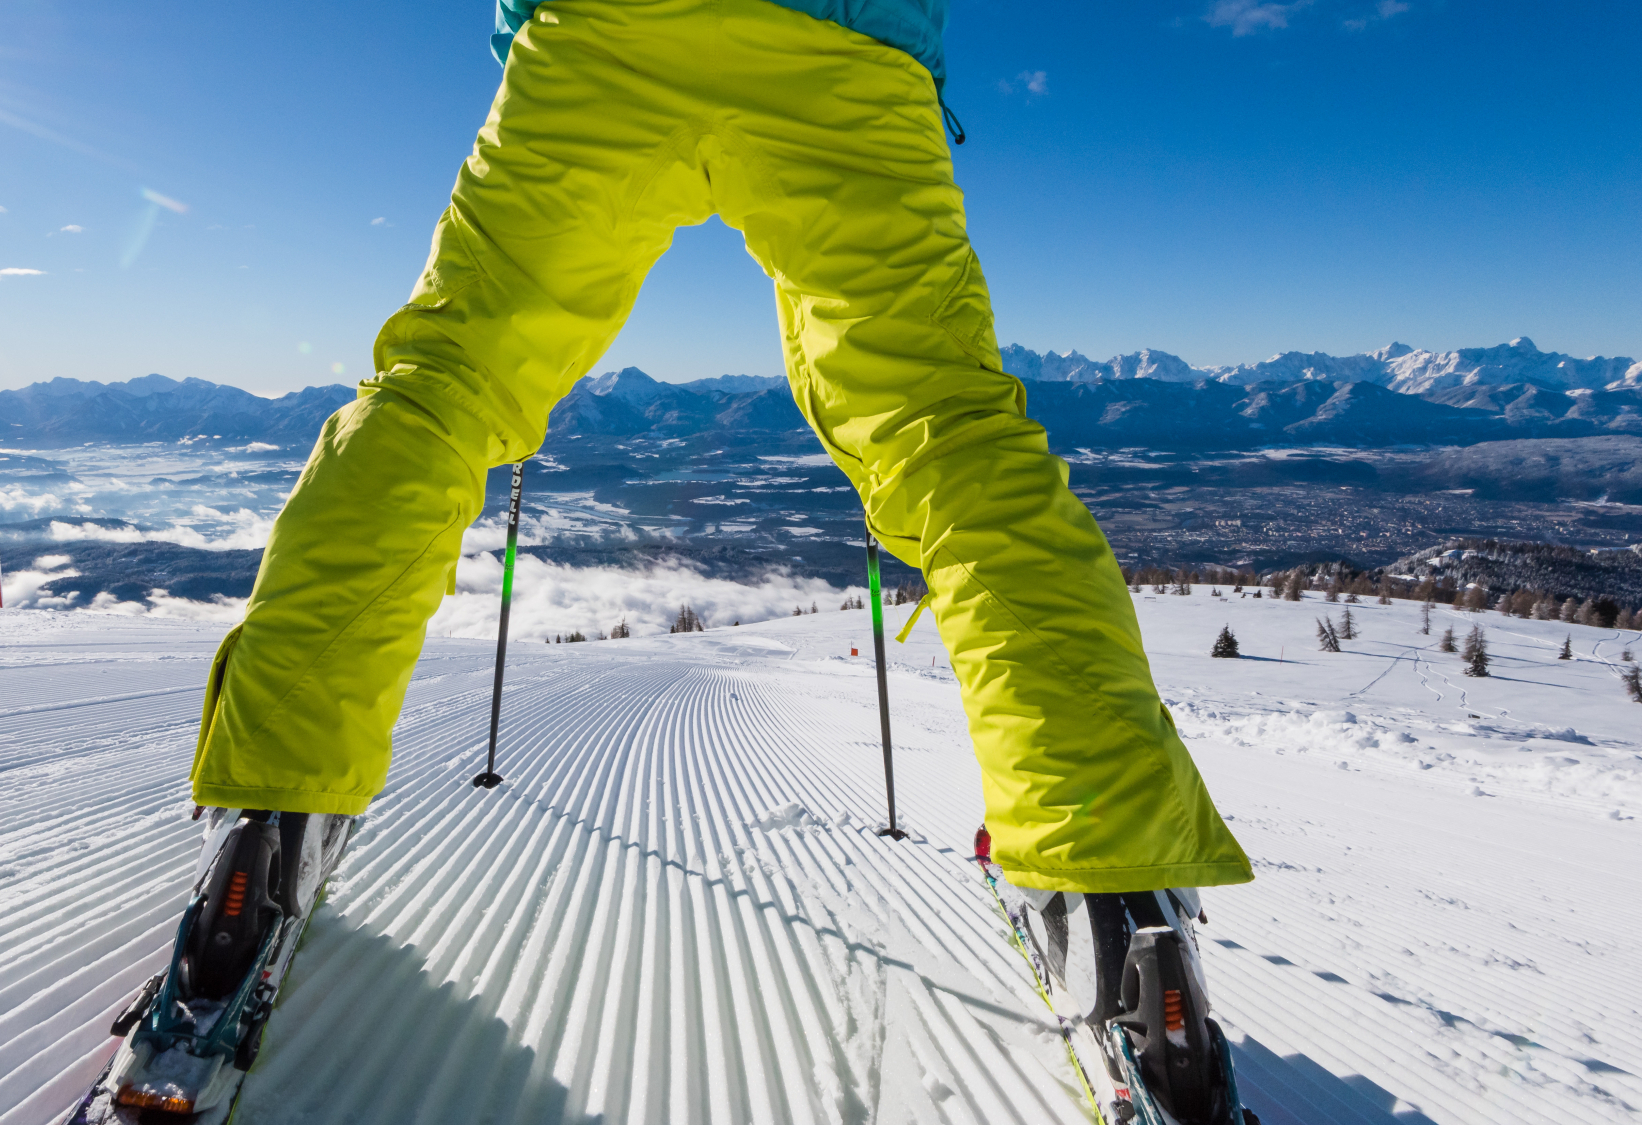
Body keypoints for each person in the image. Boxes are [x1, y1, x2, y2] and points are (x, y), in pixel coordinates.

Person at [186, 0, 1254, 1119]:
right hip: (849, 51)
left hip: (596, 36)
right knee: (953, 438)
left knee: (437, 389)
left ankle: (267, 824)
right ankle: (1113, 891)